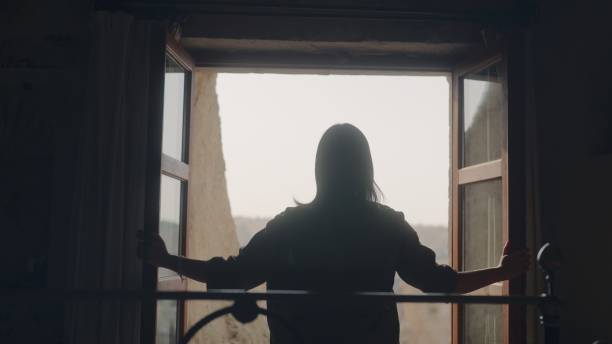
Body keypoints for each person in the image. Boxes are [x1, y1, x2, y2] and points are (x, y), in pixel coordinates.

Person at [138, 123, 530, 343]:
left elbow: (231, 275)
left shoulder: (290, 227)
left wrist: (167, 260)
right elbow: (439, 283)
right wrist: (501, 273)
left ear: (319, 169)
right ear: (367, 170)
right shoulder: (386, 226)